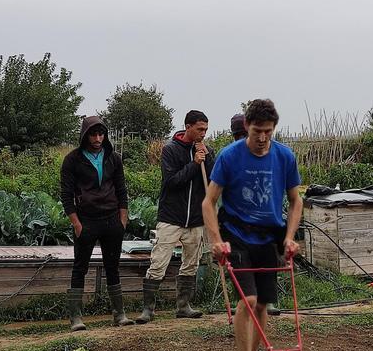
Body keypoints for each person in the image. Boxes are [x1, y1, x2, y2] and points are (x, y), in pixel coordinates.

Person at [203, 99, 303, 351]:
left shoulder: (284, 156)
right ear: (247, 126)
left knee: (262, 306)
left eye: (268, 132)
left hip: (268, 237)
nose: (262, 137)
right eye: (257, 130)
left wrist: (289, 237)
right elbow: (209, 202)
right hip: (236, 236)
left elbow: (296, 200)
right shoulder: (230, 156)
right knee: (248, 300)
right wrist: (216, 240)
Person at [137, 110, 215, 323]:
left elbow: (212, 179)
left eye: (206, 130)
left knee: (191, 264)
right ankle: (148, 309)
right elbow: (172, 182)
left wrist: (206, 159)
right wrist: (194, 164)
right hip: (171, 217)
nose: (203, 133)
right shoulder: (170, 150)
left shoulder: (207, 151)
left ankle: (183, 306)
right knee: (158, 263)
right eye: (200, 129)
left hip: (196, 219)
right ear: (188, 127)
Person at [60, 116, 135, 330]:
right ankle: (76, 317)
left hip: (111, 220)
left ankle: (119, 314)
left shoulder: (113, 158)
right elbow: (66, 194)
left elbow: (121, 190)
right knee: (80, 267)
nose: (98, 138)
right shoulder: (72, 160)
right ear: (85, 135)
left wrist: (122, 219)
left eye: (101, 134)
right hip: (86, 221)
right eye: (93, 134)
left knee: (113, 267)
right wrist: (76, 223)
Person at [230, 112, 282, 317]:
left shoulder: (268, 154)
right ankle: (243, 300)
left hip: (265, 221)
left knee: (269, 260)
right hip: (239, 224)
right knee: (241, 264)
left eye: (243, 135)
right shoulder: (231, 156)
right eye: (238, 135)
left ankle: (267, 301)